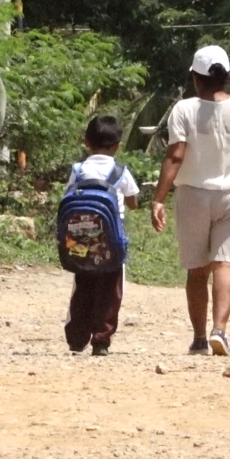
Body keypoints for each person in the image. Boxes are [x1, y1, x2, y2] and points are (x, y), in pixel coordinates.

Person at [151, 45, 230, 357]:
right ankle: (221, 330)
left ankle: (200, 338)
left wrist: (158, 199)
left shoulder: (184, 110)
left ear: (195, 77)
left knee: (197, 269)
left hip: (193, 195)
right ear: (227, 76)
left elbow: (176, 155)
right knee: (226, 261)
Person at [64, 116, 139, 356]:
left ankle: (77, 337)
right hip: (111, 243)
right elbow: (133, 202)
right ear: (117, 145)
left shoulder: (78, 170)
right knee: (110, 290)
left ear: (86, 142)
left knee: (83, 286)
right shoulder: (120, 171)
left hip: (81, 242)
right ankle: (101, 340)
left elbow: (68, 195)